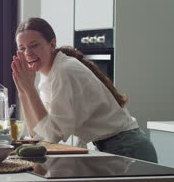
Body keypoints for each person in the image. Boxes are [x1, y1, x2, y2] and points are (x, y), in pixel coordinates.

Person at [11, 17, 157, 163]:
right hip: (112, 147)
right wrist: (23, 91)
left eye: (34, 45)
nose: (27, 53)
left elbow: (51, 136)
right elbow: (38, 135)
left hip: (128, 148)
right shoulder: (48, 75)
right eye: (22, 48)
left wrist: (29, 90)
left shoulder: (64, 71)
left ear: (52, 44)